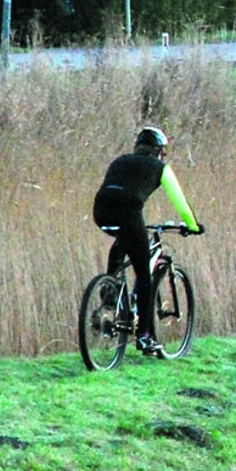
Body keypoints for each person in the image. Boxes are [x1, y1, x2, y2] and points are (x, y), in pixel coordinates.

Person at [91, 126, 203, 358]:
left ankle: (110, 290)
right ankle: (144, 336)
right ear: (158, 151)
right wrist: (192, 225)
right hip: (128, 214)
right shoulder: (160, 168)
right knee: (144, 276)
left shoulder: (120, 161)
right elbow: (180, 201)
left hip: (101, 211)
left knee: (124, 240)